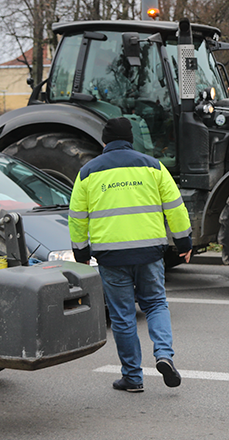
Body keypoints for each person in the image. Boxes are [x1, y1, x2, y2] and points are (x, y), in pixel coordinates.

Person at [69, 117, 193, 393]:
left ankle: (133, 378)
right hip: (149, 252)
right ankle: (164, 354)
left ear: (104, 141)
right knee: (156, 305)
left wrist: (81, 252)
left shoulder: (88, 172)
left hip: (111, 257)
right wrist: (184, 242)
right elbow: (175, 206)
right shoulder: (152, 166)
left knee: (123, 317)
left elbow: (77, 218)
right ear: (131, 139)